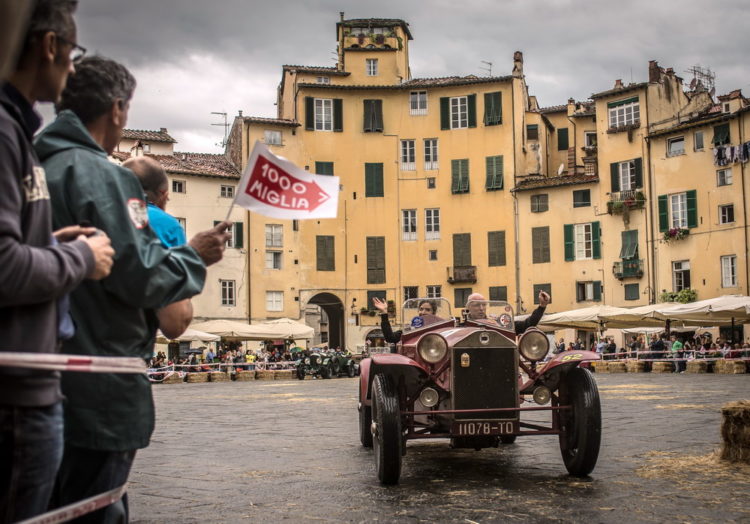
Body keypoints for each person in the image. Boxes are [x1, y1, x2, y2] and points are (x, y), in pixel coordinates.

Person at [36, 55, 232, 522]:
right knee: (97, 508)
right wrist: (195, 254)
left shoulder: (29, 163)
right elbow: (142, 278)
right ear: (118, 109)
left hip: (38, 383)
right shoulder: (107, 177)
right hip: (99, 386)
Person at [0, 2, 116, 521]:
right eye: (72, 51)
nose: (71, 65)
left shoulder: (22, 136)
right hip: (19, 398)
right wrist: (79, 255)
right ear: (50, 46)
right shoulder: (5, 134)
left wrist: (47, 241)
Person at [125, 156, 192, 339]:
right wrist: (194, 261)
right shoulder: (166, 225)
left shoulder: (93, 212)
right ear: (163, 195)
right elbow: (174, 323)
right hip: (127, 345)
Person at [465, 290, 550, 335]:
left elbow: (527, 324)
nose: (481, 308)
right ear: (468, 307)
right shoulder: (460, 327)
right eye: (477, 305)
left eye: (484, 305)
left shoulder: (497, 323)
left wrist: (542, 306)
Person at [372, 297, 437, 346]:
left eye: (427, 310)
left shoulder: (439, 326)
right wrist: (384, 312)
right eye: (421, 309)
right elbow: (390, 338)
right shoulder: (412, 328)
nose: (423, 312)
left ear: (433, 312)